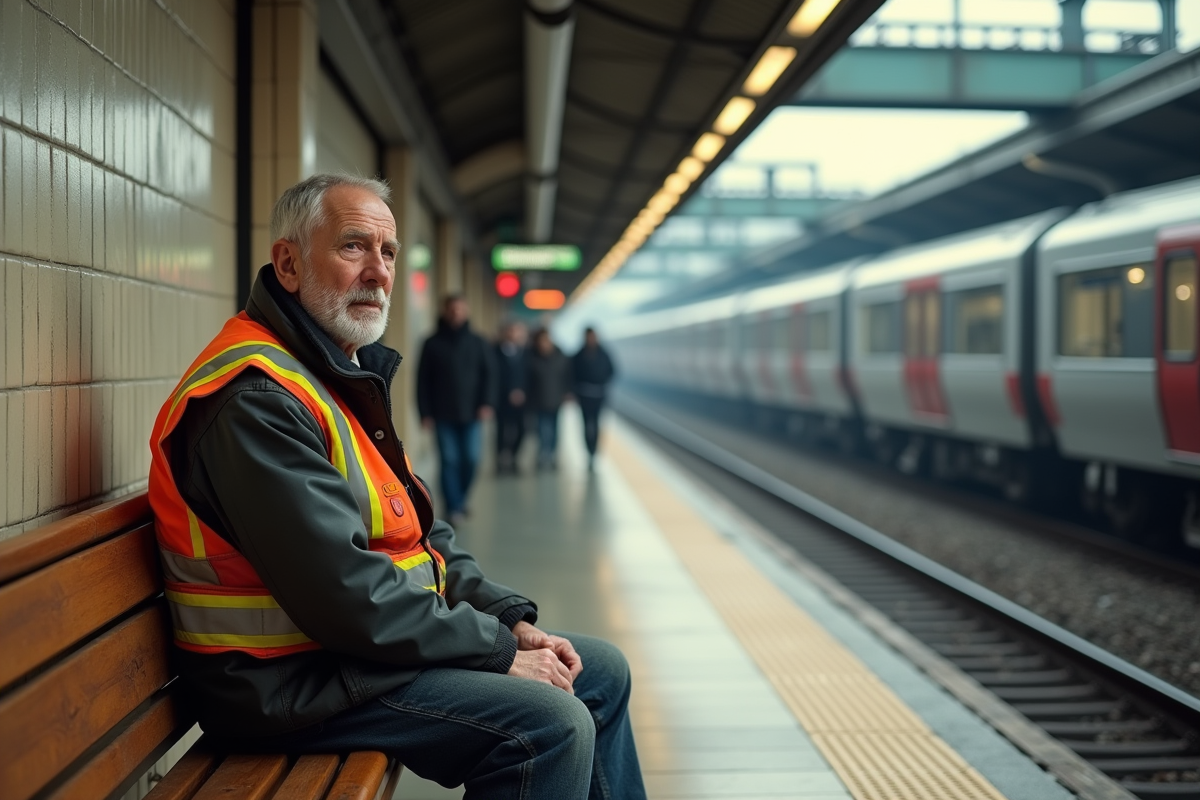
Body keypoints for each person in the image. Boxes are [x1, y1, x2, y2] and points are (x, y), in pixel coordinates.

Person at [146, 174, 646, 800]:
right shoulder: (256, 397)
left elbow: (421, 534)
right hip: (281, 684)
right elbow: (344, 593)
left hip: (340, 659)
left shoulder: (330, 372)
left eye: (387, 252)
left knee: (599, 671)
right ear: (289, 263)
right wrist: (494, 653)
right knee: (547, 725)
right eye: (354, 246)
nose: (378, 272)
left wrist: (507, 620)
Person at [417, 293, 495, 524]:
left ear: (466, 311)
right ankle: (454, 506)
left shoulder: (478, 342)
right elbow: (422, 380)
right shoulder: (432, 343)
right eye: (452, 309)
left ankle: (459, 499)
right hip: (442, 413)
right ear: (445, 311)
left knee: (471, 459)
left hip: (472, 412)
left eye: (460, 309)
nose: (456, 313)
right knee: (449, 460)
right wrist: (425, 412)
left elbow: (489, 375)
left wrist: (486, 403)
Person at [525, 328, 572, 470]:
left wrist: (567, 392)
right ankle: (543, 455)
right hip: (538, 400)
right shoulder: (531, 357)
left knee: (554, 430)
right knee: (541, 430)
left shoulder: (560, 356)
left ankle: (551, 455)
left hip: (556, 400)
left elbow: (567, 376)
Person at [573, 327, 617, 471]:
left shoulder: (604, 354)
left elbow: (612, 370)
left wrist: (603, 382)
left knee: (597, 424)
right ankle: (588, 450)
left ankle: (594, 452)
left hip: (599, 395)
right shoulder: (579, 355)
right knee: (586, 424)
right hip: (584, 396)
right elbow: (571, 374)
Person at [493, 320, 528, 474]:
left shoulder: (526, 352)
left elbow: (529, 375)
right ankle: (501, 459)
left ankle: (514, 456)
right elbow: (494, 375)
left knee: (522, 429)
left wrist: (521, 391)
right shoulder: (494, 352)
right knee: (501, 430)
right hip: (502, 399)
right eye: (511, 331)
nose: (514, 335)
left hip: (522, 399)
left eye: (517, 331)